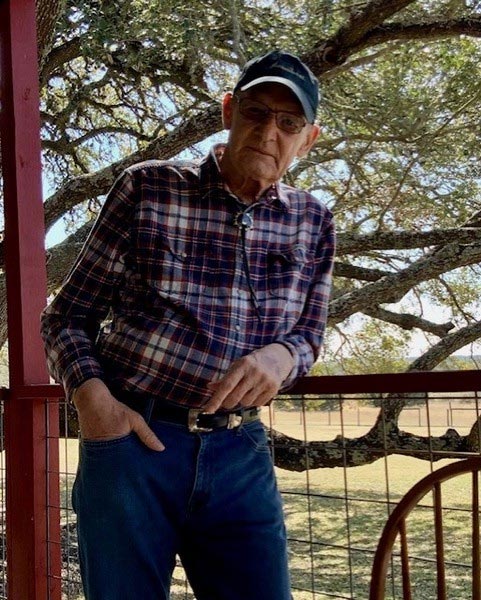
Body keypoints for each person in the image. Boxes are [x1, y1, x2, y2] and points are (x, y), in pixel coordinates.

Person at [41, 49, 335, 600]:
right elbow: (67, 315)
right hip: (132, 442)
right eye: (255, 112)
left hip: (240, 449)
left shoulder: (313, 221)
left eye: (289, 122)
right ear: (228, 112)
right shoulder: (148, 188)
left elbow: (309, 336)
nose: (269, 132)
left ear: (307, 139)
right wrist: (94, 404)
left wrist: (282, 356)